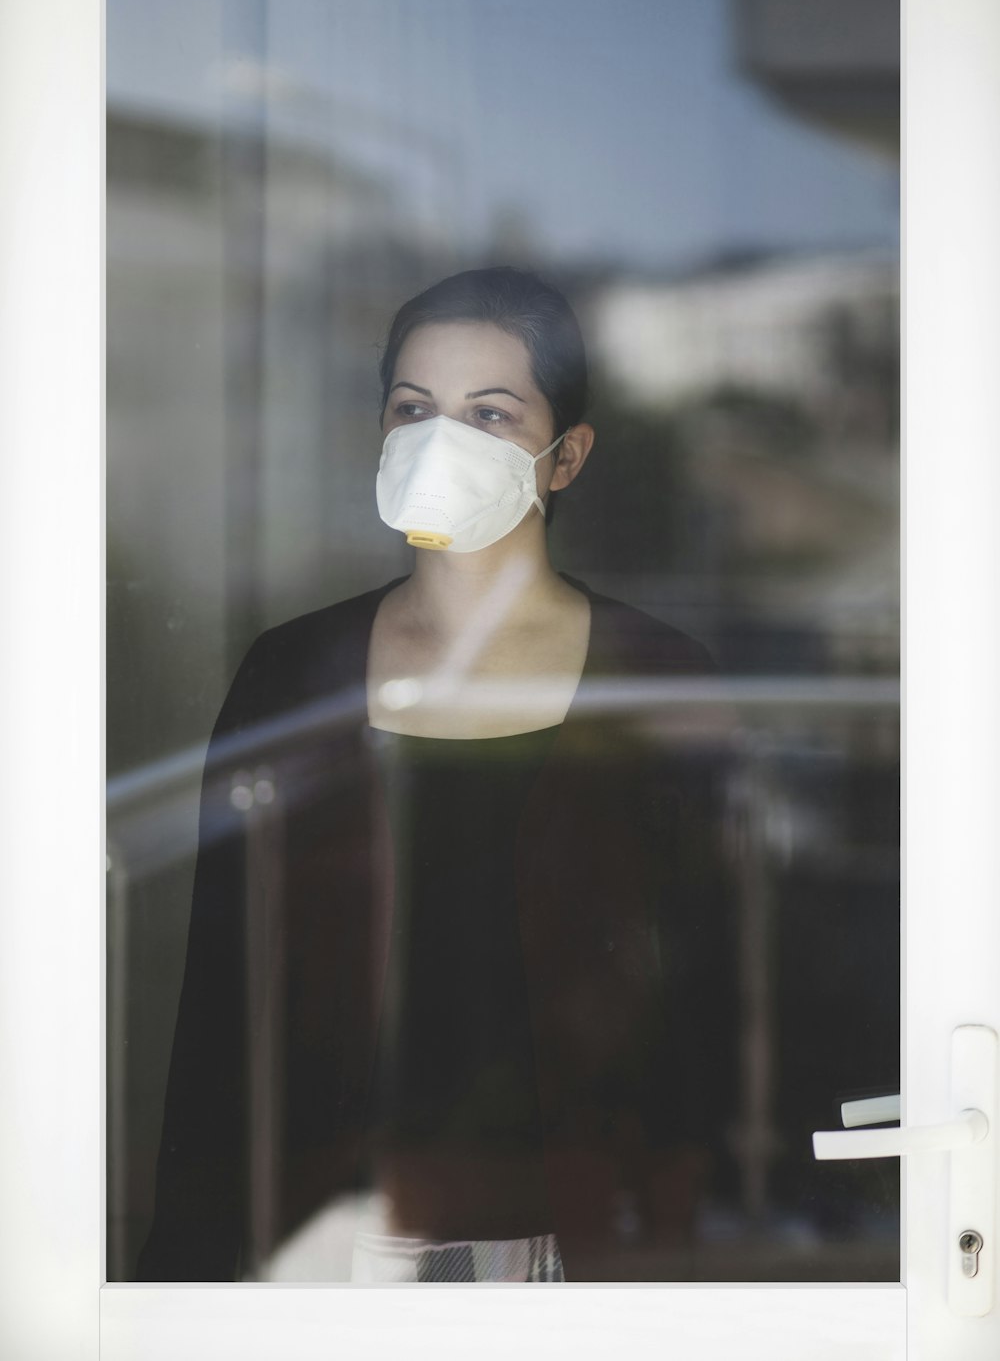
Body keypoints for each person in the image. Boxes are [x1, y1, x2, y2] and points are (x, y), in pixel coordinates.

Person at [136, 265, 733, 1284]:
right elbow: (224, 998)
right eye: (413, 408)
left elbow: (718, 1003)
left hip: (582, 1246)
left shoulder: (656, 679)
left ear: (566, 457)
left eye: (489, 414)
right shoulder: (293, 675)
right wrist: (187, 1263)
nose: (440, 441)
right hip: (327, 1240)